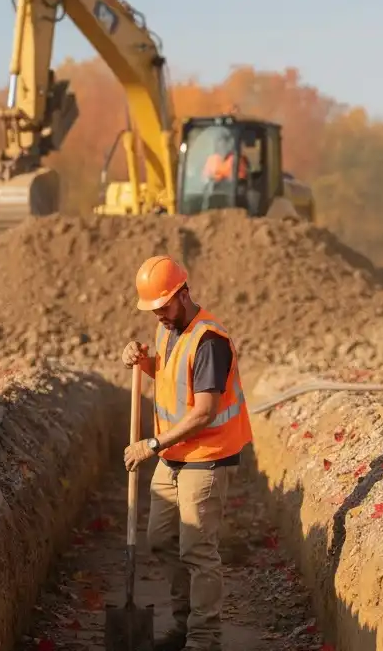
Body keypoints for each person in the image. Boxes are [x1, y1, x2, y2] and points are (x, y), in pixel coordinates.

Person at [122, 255, 253, 651]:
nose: (158, 315)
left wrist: (152, 444)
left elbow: (204, 411)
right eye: (153, 309)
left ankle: (203, 638)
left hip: (206, 456)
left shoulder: (209, 341)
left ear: (182, 294)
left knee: (197, 549)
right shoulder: (168, 330)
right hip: (174, 455)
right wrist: (141, 361)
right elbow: (169, 375)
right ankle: (183, 626)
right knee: (161, 539)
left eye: (162, 306)